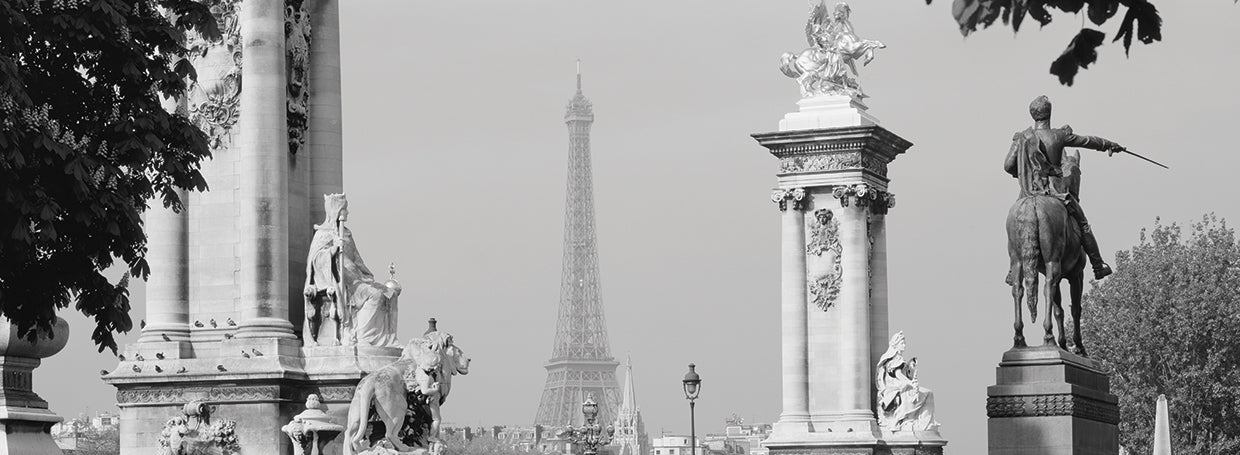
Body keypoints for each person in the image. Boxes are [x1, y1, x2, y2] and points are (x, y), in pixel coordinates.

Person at [1004, 95, 1126, 280]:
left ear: (1032, 115)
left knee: (1017, 221)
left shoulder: (1021, 138)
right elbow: (1088, 141)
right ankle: (1098, 265)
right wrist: (1109, 145)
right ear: (1049, 113)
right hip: (1055, 192)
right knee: (1083, 224)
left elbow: (1007, 166)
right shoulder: (1058, 135)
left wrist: (1022, 172)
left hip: (1027, 192)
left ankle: (1013, 270)